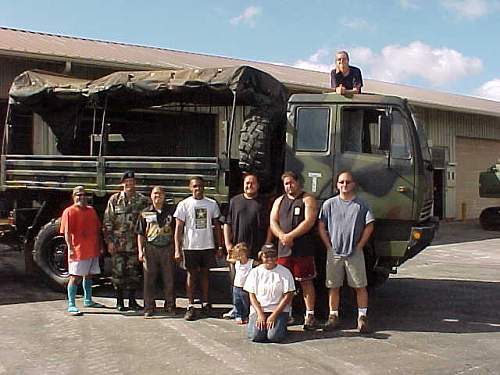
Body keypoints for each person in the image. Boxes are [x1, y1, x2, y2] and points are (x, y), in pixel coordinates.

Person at [318, 170, 375, 333]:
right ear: (337, 185)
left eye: (347, 182)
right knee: (333, 286)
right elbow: (321, 226)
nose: (344, 185)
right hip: (334, 253)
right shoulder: (329, 204)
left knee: (360, 286)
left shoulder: (361, 204)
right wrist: (328, 245)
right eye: (341, 182)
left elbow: (369, 225)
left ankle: (362, 318)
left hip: (354, 253)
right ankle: (333, 317)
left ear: (353, 184)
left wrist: (360, 245)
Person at [270, 171, 319, 331]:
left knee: (305, 281)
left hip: (302, 249)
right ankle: (286, 314)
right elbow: (273, 221)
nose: (288, 186)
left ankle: (309, 315)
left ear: (298, 182)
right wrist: (282, 236)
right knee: (283, 283)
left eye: (291, 182)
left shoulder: (307, 199)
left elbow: (309, 221)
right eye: (286, 183)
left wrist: (291, 235)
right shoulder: (279, 201)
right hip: (283, 250)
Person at [174, 176, 223, 321]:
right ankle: (190, 306)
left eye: (200, 186)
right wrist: (177, 249)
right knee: (191, 275)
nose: (198, 189)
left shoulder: (212, 204)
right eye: (195, 186)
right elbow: (178, 228)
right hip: (190, 246)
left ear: (204, 187)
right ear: (190, 188)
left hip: (207, 245)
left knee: (206, 275)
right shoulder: (184, 204)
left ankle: (206, 304)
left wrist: (219, 246)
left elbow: (217, 227)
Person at [222, 173, 271, 319]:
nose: (249, 186)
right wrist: (227, 243)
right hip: (238, 251)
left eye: (252, 183)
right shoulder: (235, 201)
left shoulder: (264, 203)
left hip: (256, 249)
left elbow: (270, 226)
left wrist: (267, 245)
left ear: (258, 185)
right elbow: (227, 223)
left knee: (256, 283)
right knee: (237, 282)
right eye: (247, 183)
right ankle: (237, 310)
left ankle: (254, 309)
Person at [103, 171, 149, 311]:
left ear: (135, 183)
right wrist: (109, 241)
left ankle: (132, 301)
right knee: (118, 273)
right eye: (127, 182)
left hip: (134, 244)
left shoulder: (142, 200)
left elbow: (147, 222)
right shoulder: (115, 200)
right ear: (122, 183)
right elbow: (107, 221)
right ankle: (119, 302)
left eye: (132, 181)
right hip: (118, 244)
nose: (130, 184)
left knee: (133, 273)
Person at [60, 186, 105, 316]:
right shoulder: (69, 212)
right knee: (75, 277)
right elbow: (67, 233)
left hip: (92, 249)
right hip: (78, 250)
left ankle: (88, 300)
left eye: (84, 195)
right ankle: (71, 304)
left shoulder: (91, 210)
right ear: (73, 197)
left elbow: (97, 229)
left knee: (89, 275)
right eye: (78, 195)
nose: (81, 197)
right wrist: (71, 248)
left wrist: (100, 246)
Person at [136, 186, 176, 319]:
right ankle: (149, 307)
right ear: (151, 196)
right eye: (155, 194)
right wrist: (140, 251)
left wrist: (177, 248)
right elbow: (140, 233)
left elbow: (176, 231)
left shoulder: (171, 212)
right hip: (150, 248)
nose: (157, 196)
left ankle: (170, 305)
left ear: (164, 196)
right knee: (149, 279)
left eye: (160, 194)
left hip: (167, 247)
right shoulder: (145, 212)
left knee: (168, 277)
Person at [244, 244, 295, 343]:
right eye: (266, 256)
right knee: (256, 336)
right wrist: (260, 314)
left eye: (273, 256)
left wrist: (274, 315)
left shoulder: (285, 272)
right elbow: (252, 295)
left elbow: (288, 295)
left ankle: (282, 327)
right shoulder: (255, 272)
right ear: (261, 256)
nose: (270, 259)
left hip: (278, 311)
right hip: (260, 309)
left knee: (273, 337)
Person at [226, 242, 257, 324]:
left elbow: (260, 264)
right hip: (236, 286)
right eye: (239, 255)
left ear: (246, 253)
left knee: (246, 303)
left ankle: (245, 316)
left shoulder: (251, 262)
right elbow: (228, 259)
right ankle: (238, 315)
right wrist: (229, 252)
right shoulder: (237, 262)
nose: (241, 257)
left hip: (246, 287)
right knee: (237, 302)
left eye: (242, 254)